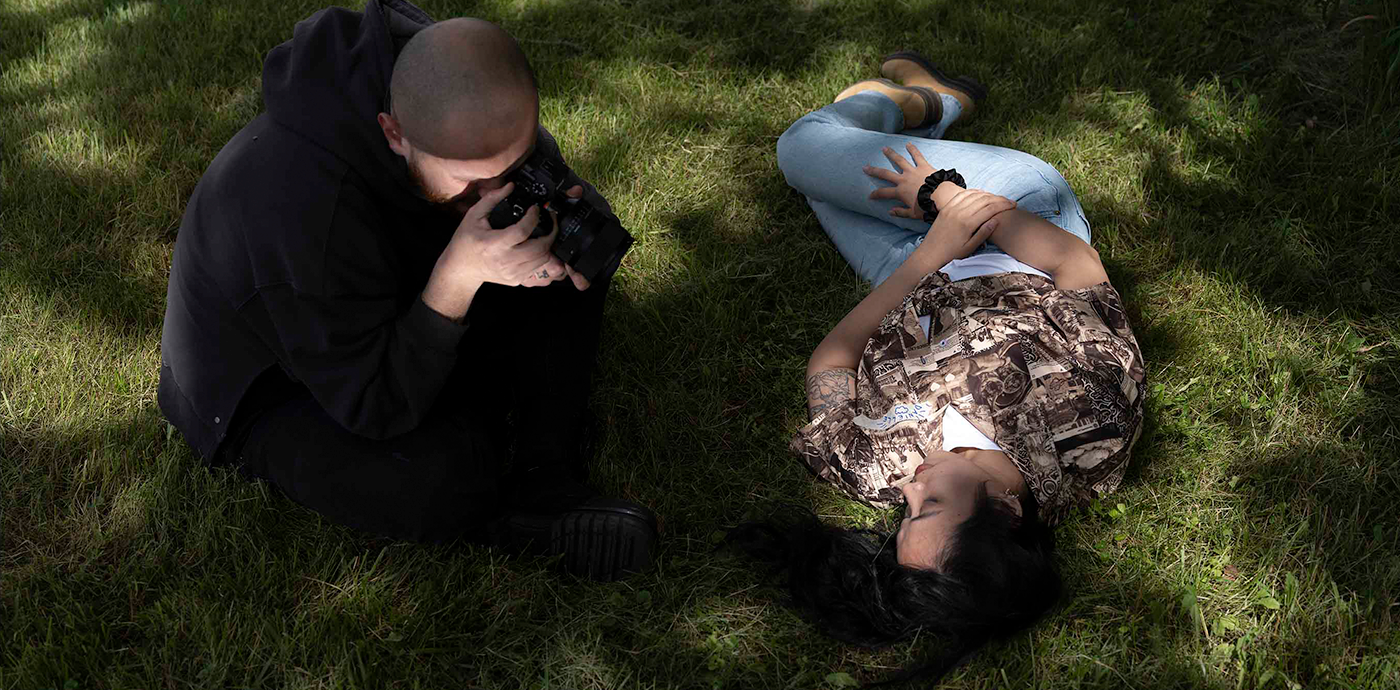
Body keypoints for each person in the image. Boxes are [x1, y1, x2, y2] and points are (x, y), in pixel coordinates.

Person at [157, 0, 657, 581]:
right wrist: (456, 278)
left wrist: (561, 221)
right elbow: (371, 404)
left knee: (566, 261)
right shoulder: (304, 209)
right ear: (394, 133)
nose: (496, 193)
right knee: (440, 475)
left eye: (515, 165)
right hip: (270, 385)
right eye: (471, 182)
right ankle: (503, 508)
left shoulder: (469, 100)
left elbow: (557, 201)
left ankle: (548, 477)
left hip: (388, 294)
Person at [731, 53, 1147, 683]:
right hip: (1010, 225)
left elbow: (833, 359)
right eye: (927, 506)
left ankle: (920, 108)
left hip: (908, 267)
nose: (905, 490)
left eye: (904, 512)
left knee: (812, 169)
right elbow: (1076, 267)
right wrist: (941, 196)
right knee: (802, 148)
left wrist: (927, 255)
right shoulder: (1091, 429)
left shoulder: (871, 472)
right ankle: (930, 106)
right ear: (1006, 513)